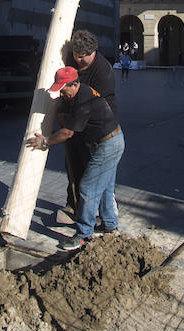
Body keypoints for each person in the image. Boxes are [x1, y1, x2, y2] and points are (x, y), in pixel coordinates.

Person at [27, 66, 124, 249]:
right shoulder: (82, 91)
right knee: (104, 186)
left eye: (64, 90)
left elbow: (67, 133)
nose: (63, 94)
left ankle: (83, 235)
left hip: (107, 145)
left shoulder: (83, 102)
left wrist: (45, 141)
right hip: (113, 139)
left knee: (87, 187)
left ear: (74, 84)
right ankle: (110, 226)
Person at [59, 29, 118, 220]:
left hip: (97, 129)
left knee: (94, 175)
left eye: (82, 57)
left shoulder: (103, 71)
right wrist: (62, 109)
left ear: (93, 52)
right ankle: (73, 203)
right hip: (76, 122)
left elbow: (93, 106)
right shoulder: (72, 59)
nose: (78, 61)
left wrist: (70, 125)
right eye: (76, 56)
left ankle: (97, 215)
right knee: (73, 166)